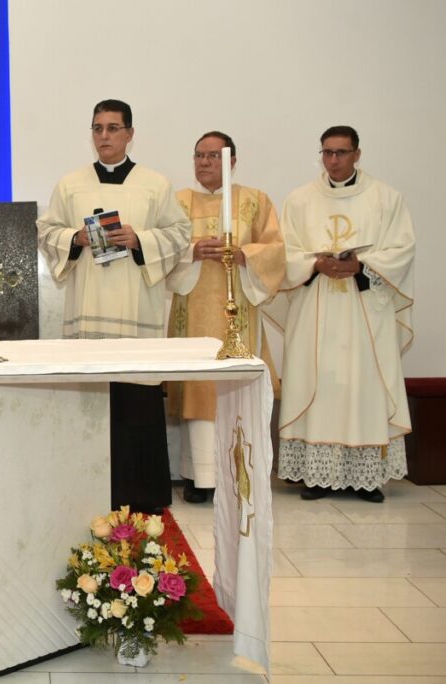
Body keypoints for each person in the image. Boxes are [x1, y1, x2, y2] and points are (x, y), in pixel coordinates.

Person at [36, 99, 190, 513]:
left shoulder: (155, 185)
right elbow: (46, 230)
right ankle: (87, 490)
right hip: (87, 308)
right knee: (91, 403)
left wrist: (141, 240)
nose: (104, 136)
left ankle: (142, 496)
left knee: (136, 401)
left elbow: (180, 233)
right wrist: (74, 239)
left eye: (113, 128)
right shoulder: (71, 184)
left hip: (136, 310)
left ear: (129, 134)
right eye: (97, 128)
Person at [276, 125, 415, 503]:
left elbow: (402, 249)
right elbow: (284, 253)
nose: (333, 160)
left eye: (341, 152)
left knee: (363, 385)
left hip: (364, 312)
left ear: (357, 154)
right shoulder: (300, 200)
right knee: (318, 384)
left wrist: (362, 265)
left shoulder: (386, 198)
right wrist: (314, 264)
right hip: (316, 309)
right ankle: (317, 477)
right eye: (327, 153)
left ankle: (365, 478)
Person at [166, 132, 285, 503]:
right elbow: (164, 251)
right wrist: (192, 252)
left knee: (233, 392)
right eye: (199, 155)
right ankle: (198, 476)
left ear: (231, 160)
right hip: (193, 314)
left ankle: (239, 475)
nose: (204, 162)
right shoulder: (178, 202)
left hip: (240, 316)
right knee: (197, 390)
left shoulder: (254, 201)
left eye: (213, 156)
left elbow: (276, 250)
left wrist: (245, 254)